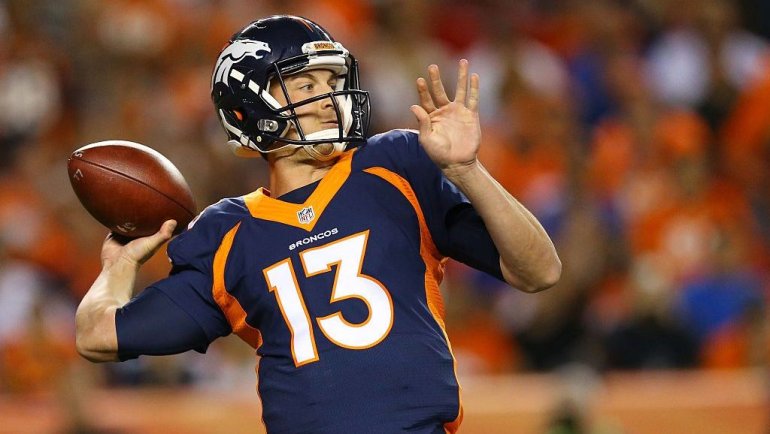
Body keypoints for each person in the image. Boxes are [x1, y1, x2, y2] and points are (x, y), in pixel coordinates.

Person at [75, 15, 561, 433]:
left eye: (331, 83)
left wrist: (466, 171)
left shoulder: (393, 166)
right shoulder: (226, 235)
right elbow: (98, 336)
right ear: (250, 109)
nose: (329, 98)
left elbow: (539, 271)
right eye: (307, 85)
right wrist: (117, 266)